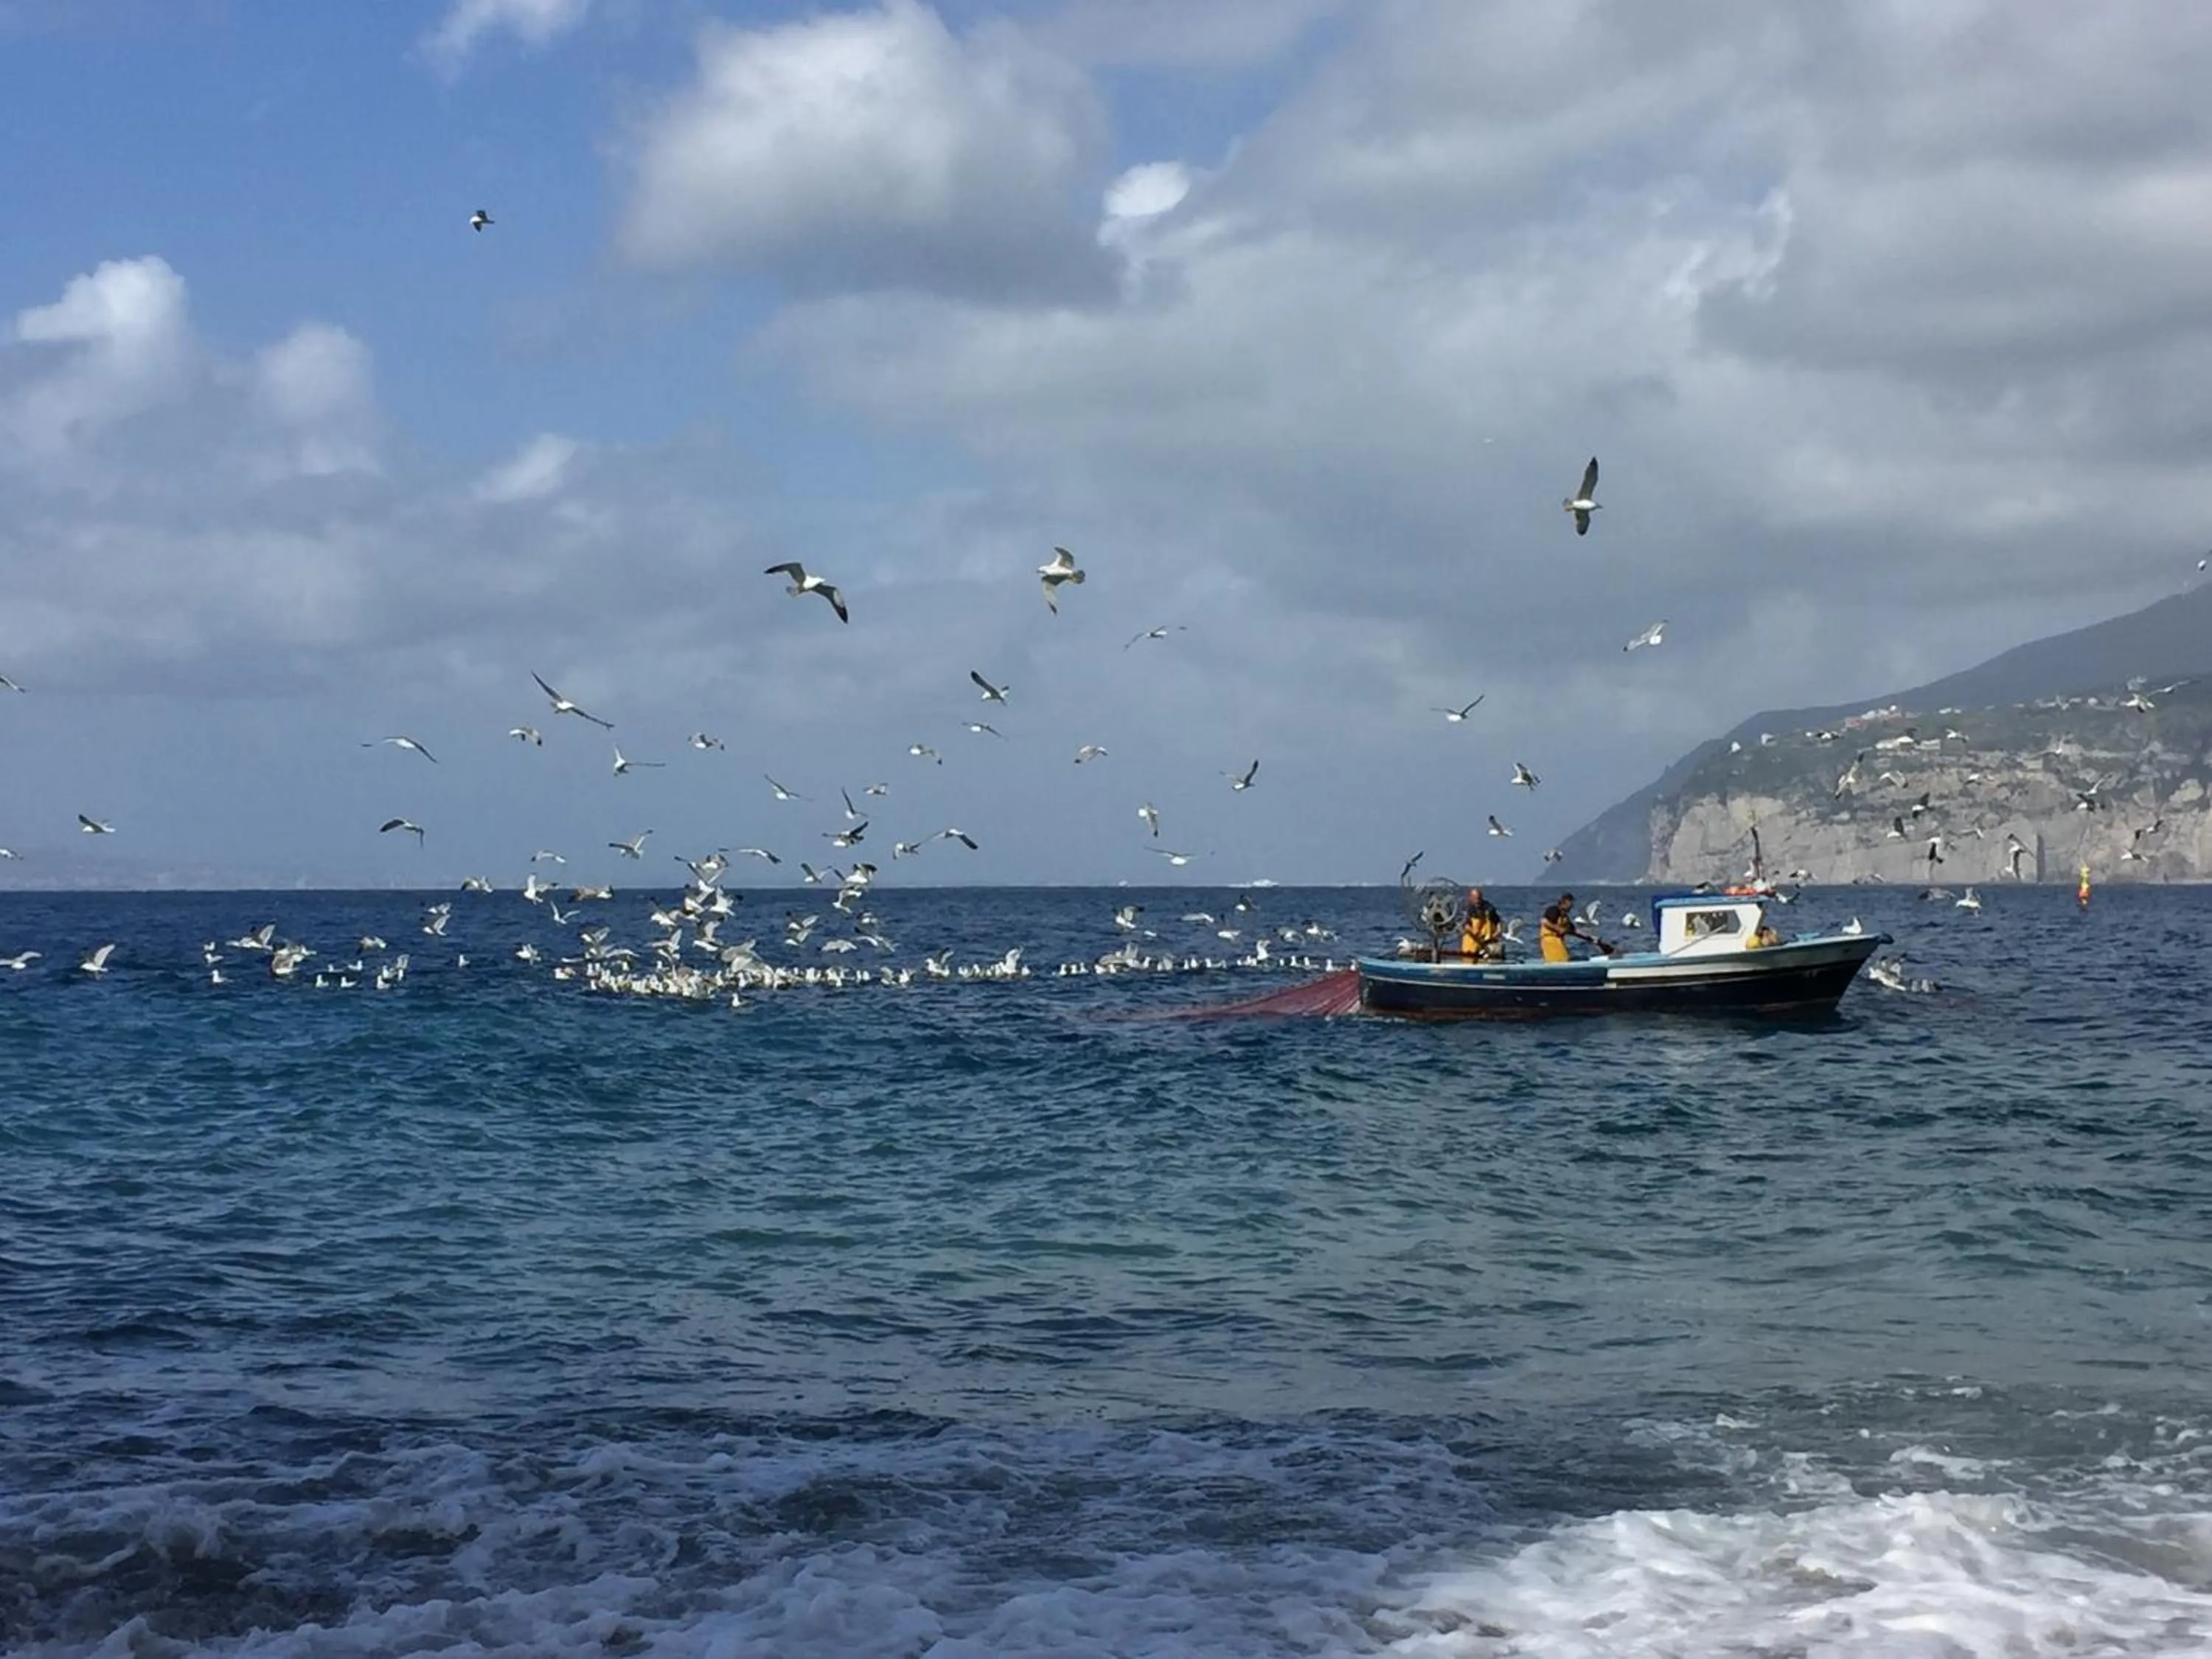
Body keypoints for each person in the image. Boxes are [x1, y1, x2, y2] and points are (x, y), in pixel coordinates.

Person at [1460, 887, 1503, 959]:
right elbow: (1466, 926)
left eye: (1479, 898)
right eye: (1475, 899)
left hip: (1488, 939)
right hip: (1473, 939)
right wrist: (1477, 937)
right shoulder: (1467, 909)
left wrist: (1498, 931)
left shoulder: (1489, 908)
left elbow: (1498, 921)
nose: (1478, 901)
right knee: (1468, 957)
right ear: (1471, 898)